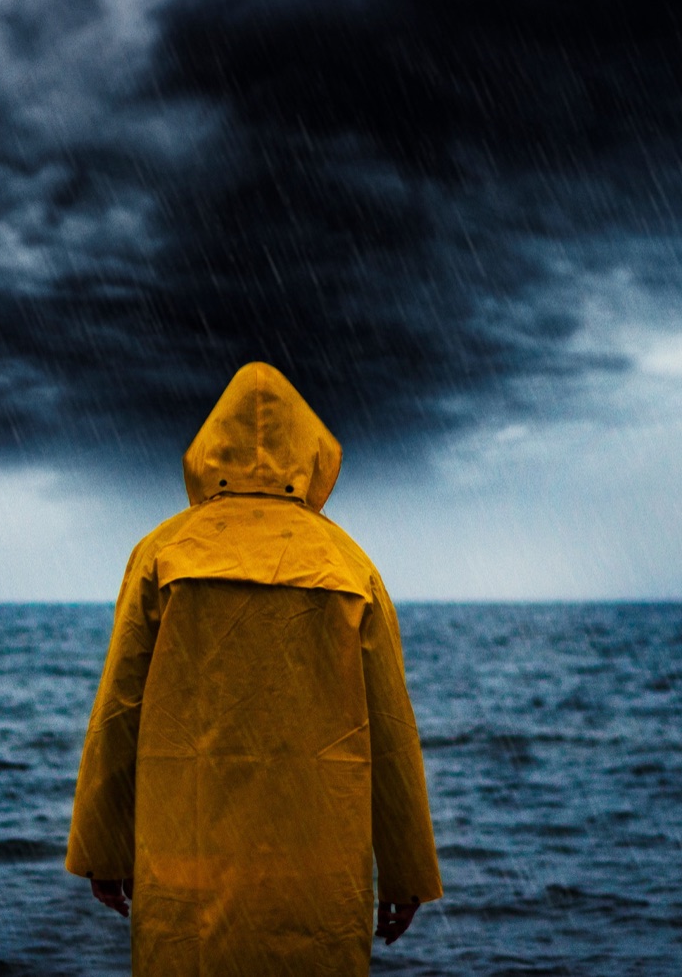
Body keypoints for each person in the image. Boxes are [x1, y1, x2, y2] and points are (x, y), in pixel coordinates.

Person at [66, 362, 442, 976]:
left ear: (210, 451)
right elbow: (392, 732)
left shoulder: (162, 554)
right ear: (310, 455)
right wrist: (407, 871)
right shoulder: (349, 565)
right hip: (318, 881)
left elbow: (118, 710)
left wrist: (102, 848)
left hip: (188, 877)